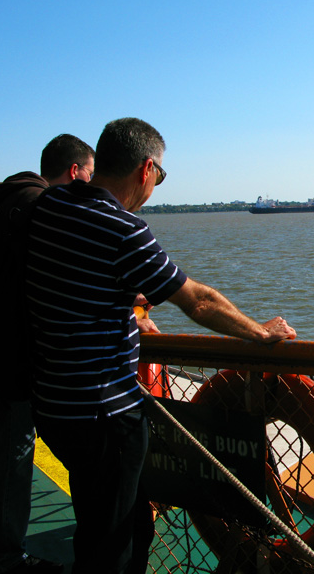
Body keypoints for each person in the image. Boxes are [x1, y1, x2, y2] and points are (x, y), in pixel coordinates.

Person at [24, 117, 296, 574]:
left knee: (115, 522)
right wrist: (260, 332)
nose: (156, 185)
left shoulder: (49, 206)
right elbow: (198, 302)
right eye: (161, 175)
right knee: (109, 543)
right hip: (103, 416)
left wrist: (118, 297)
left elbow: (69, 276)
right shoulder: (123, 229)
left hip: (51, 405)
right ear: (145, 169)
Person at [0, 134, 96, 572]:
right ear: (74, 172)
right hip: (17, 361)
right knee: (13, 457)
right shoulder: (43, 211)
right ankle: (5, 555)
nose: (90, 186)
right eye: (90, 176)